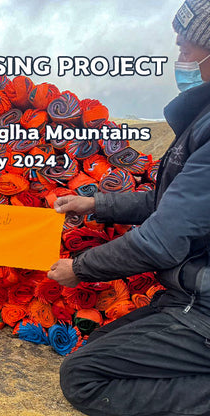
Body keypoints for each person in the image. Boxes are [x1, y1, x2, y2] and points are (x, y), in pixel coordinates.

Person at [47, 1, 210, 415]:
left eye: (187, 50)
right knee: (100, 347)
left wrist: (79, 269)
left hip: (204, 306)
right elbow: (168, 203)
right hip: (190, 294)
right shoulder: (202, 119)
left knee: (83, 378)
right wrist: (94, 203)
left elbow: (162, 239)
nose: (180, 60)